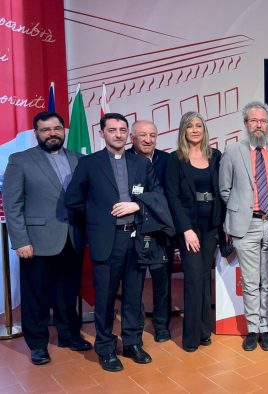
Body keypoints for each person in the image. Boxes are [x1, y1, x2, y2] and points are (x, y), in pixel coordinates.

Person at [65, 113, 158, 372]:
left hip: (135, 239)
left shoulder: (140, 163)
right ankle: (105, 348)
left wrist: (136, 205)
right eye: (113, 129)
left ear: (129, 134)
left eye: (123, 130)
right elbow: (73, 200)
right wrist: (98, 217)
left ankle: (132, 344)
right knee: (105, 298)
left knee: (133, 296)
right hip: (106, 240)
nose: (118, 134)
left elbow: (155, 194)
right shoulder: (89, 164)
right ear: (102, 133)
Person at [4, 111, 91, 365]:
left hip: (73, 238)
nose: (52, 133)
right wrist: (20, 241)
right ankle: (38, 345)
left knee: (68, 292)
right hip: (36, 241)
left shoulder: (80, 160)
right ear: (37, 133)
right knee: (36, 297)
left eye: (56, 128)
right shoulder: (20, 160)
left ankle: (69, 335)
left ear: (64, 130)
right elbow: (13, 205)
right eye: (45, 130)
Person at [219, 101, 268, 352]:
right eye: (253, 121)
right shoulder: (232, 151)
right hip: (247, 224)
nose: (259, 125)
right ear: (246, 124)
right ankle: (252, 329)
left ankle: (266, 328)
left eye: (263, 121)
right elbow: (225, 189)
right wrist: (242, 210)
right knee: (250, 281)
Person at [165, 111, 224, 352]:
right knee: (192, 277)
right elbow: (172, 196)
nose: (195, 130)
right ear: (183, 131)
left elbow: (224, 190)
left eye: (199, 125)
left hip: (211, 224)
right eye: (190, 126)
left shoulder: (216, 156)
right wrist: (186, 230)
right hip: (189, 226)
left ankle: (203, 330)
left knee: (203, 278)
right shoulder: (175, 159)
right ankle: (190, 338)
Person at [128, 120, 174, 343]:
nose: (148, 140)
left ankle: (161, 326)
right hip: (132, 230)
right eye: (142, 135)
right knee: (134, 282)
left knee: (162, 281)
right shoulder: (123, 160)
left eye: (152, 135)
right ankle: (134, 325)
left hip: (160, 230)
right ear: (132, 138)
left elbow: (171, 196)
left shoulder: (167, 160)